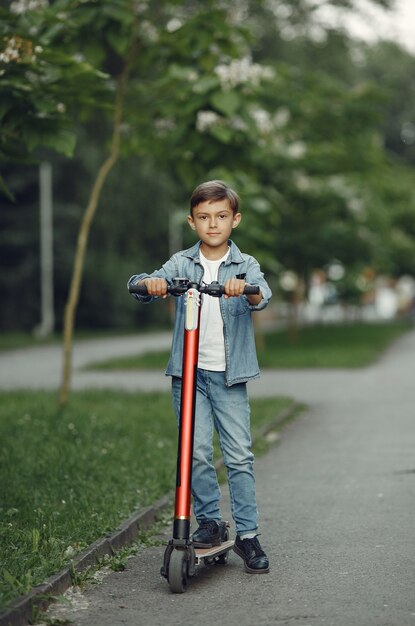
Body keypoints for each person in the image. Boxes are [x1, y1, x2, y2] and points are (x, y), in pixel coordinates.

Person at [128, 180, 272, 574]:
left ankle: (248, 535)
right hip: (188, 375)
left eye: (221, 216)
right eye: (204, 217)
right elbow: (139, 283)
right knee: (195, 453)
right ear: (192, 222)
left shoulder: (245, 264)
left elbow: (263, 296)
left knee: (239, 455)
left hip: (229, 376)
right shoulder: (181, 262)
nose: (213, 224)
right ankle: (209, 521)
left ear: (235, 220)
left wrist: (246, 290)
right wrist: (150, 284)